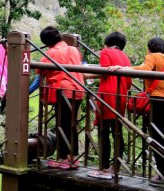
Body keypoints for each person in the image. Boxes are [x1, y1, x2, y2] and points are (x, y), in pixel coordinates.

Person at [113, 37, 164, 187]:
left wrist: (124, 69)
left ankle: (162, 173)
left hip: (159, 102)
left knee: (157, 137)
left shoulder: (152, 56)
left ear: (150, 47)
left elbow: (145, 69)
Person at [87, 31, 132, 179]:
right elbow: (129, 81)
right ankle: (116, 167)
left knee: (103, 131)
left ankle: (104, 168)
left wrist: (85, 74)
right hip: (122, 96)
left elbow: (104, 71)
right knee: (117, 132)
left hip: (108, 96)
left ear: (107, 43)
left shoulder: (106, 52)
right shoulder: (125, 57)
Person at [39, 26, 86, 170]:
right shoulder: (73, 49)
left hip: (64, 91)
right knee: (71, 125)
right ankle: (73, 158)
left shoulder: (51, 52)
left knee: (62, 125)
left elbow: (40, 69)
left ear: (47, 42)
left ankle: (63, 159)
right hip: (78, 89)